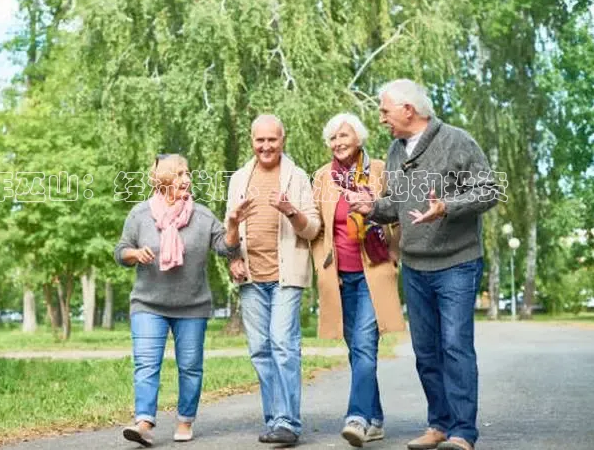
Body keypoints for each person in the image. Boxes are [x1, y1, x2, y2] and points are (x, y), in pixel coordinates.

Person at [349, 80, 500, 450]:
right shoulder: (396, 150)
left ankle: (464, 432)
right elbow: (395, 203)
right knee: (427, 351)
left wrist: (447, 206)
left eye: (385, 111)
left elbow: (489, 190)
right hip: (415, 267)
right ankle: (440, 424)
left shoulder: (457, 141)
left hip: (457, 264)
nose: (381, 118)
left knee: (455, 346)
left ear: (408, 110)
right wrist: (373, 208)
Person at [114, 154, 255, 447]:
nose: (187, 179)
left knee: (190, 365)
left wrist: (231, 224)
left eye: (187, 173)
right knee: (146, 364)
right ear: (163, 179)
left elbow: (226, 248)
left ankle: (185, 420)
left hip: (192, 306)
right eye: (179, 174)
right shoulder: (140, 214)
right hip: (148, 304)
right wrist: (135, 254)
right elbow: (121, 250)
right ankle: (143, 423)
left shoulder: (201, 216)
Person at [311, 113, 406, 447]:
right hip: (339, 276)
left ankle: (357, 417)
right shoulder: (323, 177)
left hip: (373, 270)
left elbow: (399, 209)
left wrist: (395, 252)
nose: (338, 143)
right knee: (357, 350)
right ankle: (376, 416)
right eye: (333, 138)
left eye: (344, 135)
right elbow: (317, 226)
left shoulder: (379, 170)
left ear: (359, 138)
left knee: (365, 345)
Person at [227, 114, 321, 446]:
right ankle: (275, 420)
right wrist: (233, 258)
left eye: (272, 140)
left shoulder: (296, 177)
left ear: (283, 140)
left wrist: (290, 211)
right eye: (260, 140)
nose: (266, 146)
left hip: (286, 275)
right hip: (251, 276)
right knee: (260, 350)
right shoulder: (238, 178)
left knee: (283, 344)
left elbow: (313, 228)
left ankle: (288, 423)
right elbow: (231, 230)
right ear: (252, 141)